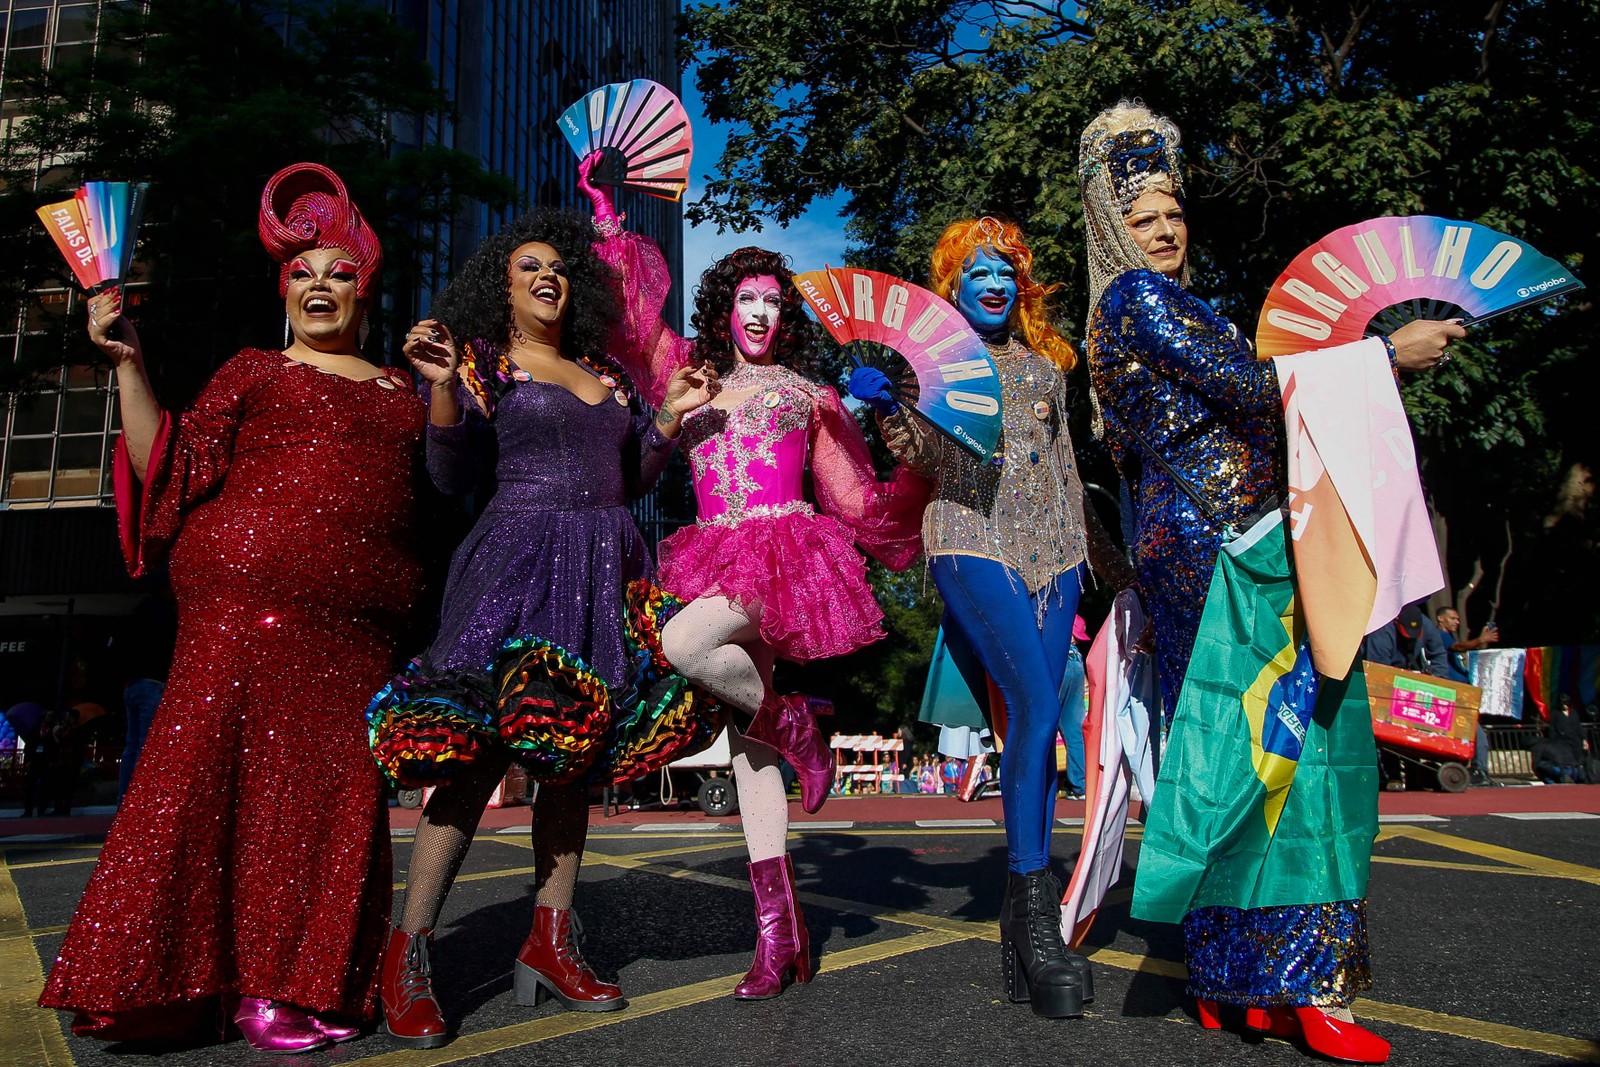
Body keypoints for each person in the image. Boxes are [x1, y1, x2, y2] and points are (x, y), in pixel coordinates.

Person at [1079, 101, 1459, 1064]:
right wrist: (1384, 354)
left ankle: (1228, 975)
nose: (1165, 229)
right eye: (1146, 215)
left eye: (1175, 212)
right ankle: (1301, 982)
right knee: (1305, 753)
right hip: (1231, 553)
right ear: (1112, 225)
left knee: (1226, 758)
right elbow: (1257, 391)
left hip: (1200, 546)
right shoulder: (1138, 302)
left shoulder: (1144, 311)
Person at [40, 163, 429, 1053]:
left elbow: (437, 495)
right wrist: (129, 361)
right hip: (240, 620)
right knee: (213, 801)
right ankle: (186, 983)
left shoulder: (401, 391)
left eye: (336, 270)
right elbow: (169, 462)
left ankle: (295, 982)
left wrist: (450, 395)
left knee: (324, 810)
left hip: (355, 636)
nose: (319, 285)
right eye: (302, 273)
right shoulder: (252, 370)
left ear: (363, 284)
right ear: (283, 288)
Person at [579, 155, 929, 1000]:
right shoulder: (687, 372)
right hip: (711, 548)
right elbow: (631, 316)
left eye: (775, 302)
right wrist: (606, 216)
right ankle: (781, 936)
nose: (763, 313)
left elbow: (855, 498)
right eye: (749, 300)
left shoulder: (812, 393)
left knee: (684, 639)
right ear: (725, 308)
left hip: (787, 557)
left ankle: (791, 723)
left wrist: (894, 429)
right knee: (749, 755)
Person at [372, 206, 717, 1047]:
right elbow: (450, 472)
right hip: (516, 558)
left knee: (576, 757)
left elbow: (630, 472)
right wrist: (445, 387)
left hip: (603, 565)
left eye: (558, 265)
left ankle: (551, 941)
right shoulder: (484, 362)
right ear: (503, 284)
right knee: (473, 753)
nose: (546, 275)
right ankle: (408, 952)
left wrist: (668, 415)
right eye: (528, 266)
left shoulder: (605, 371)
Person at [870, 217, 1133, 1020]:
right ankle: (1038, 912)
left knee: (1037, 718)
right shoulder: (935, 371)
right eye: (976, 270)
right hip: (969, 540)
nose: (992, 281)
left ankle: (1022, 923)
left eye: (1005, 271)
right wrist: (889, 408)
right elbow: (926, 458)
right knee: (1035, 705)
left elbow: (1067, 474)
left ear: (1021, 286)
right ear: (951, 286)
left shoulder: (1049, 370)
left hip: (1054, 558)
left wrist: (1123, 576)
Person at [109, 584, 177, 804]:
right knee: (146, 745)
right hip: (153, 681)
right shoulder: (165, 617)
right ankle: (142, 798)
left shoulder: (134, 619)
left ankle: (125, 798)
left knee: (133, 745)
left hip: (133, 684)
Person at [1419, 607, 1501, 786]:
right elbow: (1458, 647)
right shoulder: (1440, 636)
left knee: (1469, 731)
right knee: (1475, 731)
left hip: (1461, 691)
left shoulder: (1447, 638)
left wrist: (1479, 641)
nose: (1457, 622)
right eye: (1452, 618)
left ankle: (1475, 768)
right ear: (1441, 619)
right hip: (1453, 693)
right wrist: (1480, 640)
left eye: (1457, 619)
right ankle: (1479, 769)